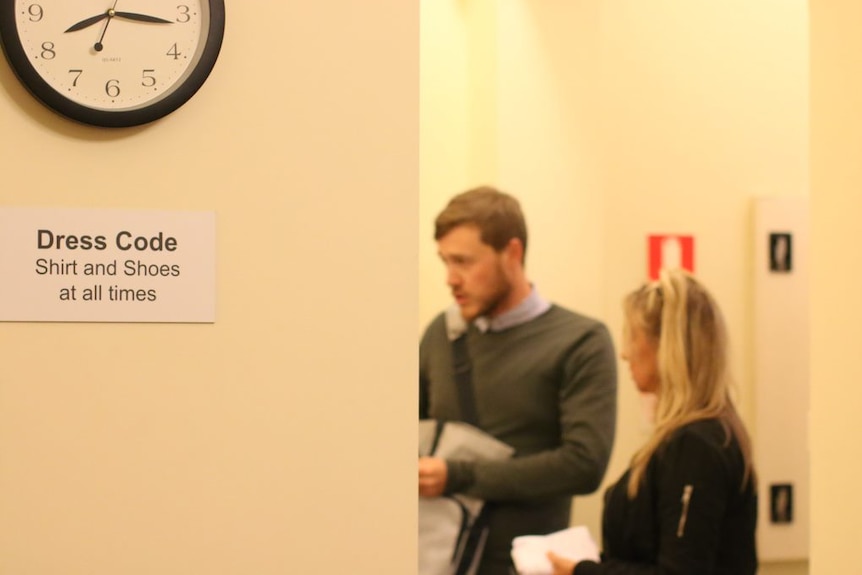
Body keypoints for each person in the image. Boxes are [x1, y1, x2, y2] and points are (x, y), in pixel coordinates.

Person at [419, 186, 618, 575]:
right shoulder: (440, 336)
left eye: (463, 261)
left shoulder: (580, 341)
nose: (450, 279)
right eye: (444, 261)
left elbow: (583, 464)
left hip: (525, 566)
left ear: (512, 253)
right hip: (441, 560)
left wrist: (456, 475)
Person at [547, 269, 758, 575]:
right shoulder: (699, 436)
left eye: (632, 336)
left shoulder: (696, 445)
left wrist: (583, 571)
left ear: (666, 346)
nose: (623, 353)